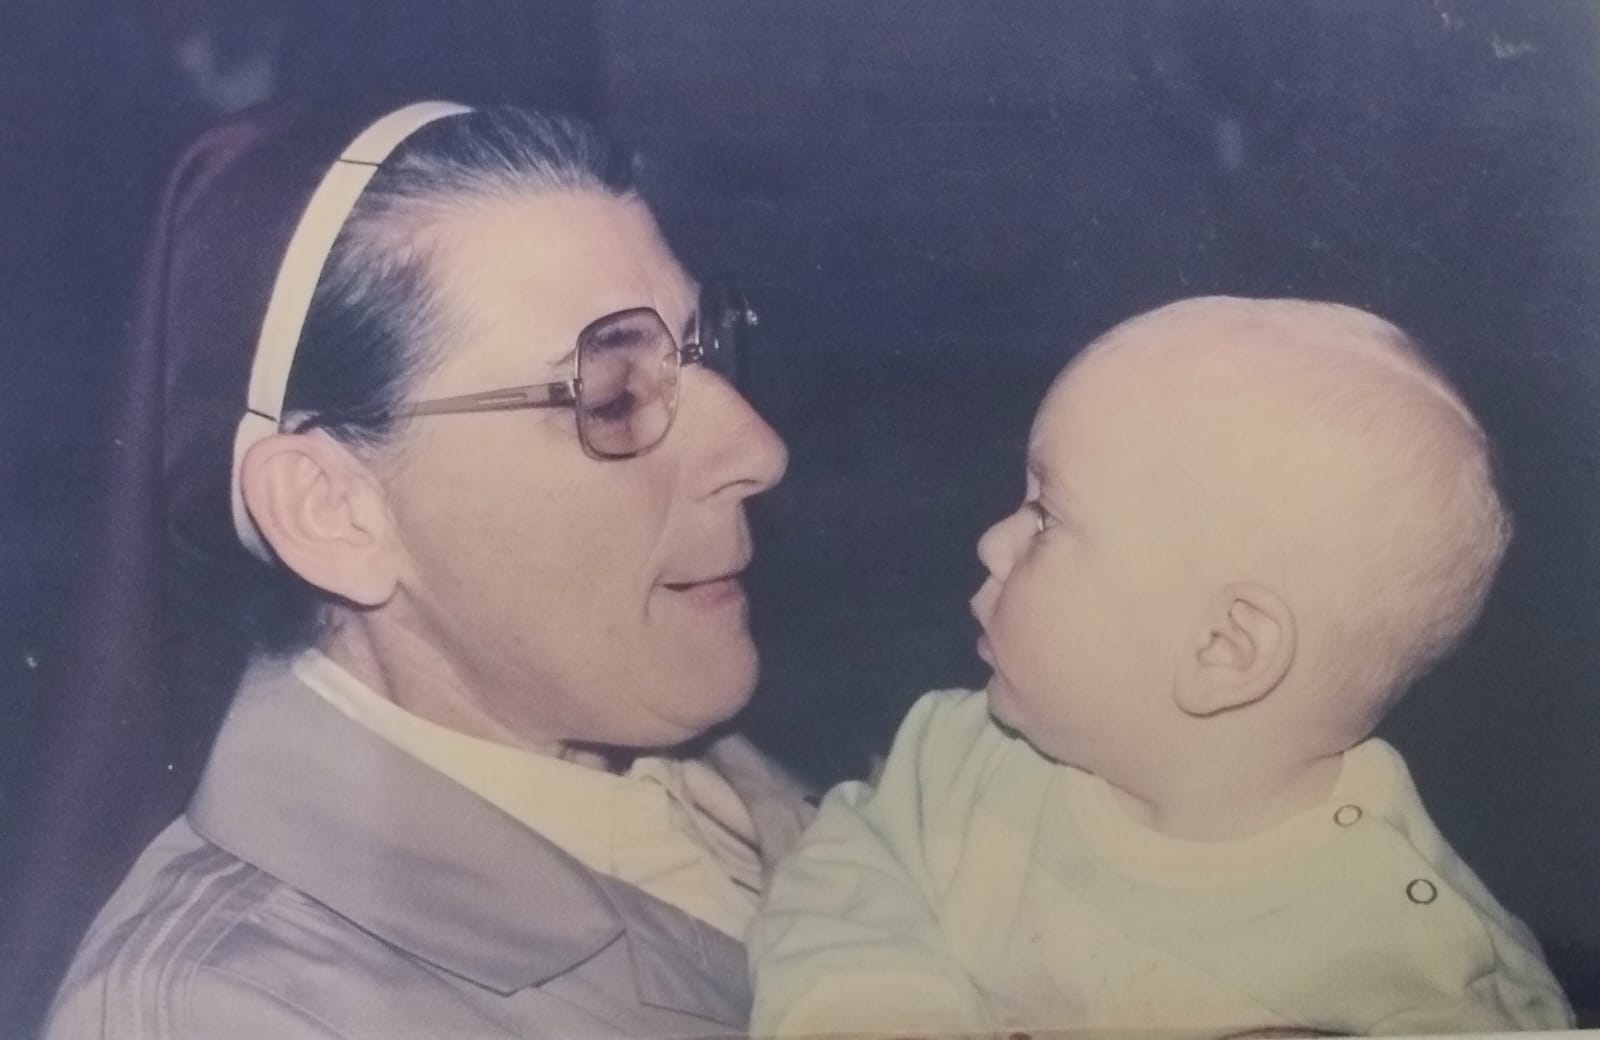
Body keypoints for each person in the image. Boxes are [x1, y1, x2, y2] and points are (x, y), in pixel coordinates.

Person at [42, 99, 812, 1039]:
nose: (757, 449)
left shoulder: (665, 740)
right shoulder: (237, 1012)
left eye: (705, 346)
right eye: (612, 394)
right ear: (334, 513)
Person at [748, 296, 1575, 1037]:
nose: (993, 541)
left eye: (1046, 516)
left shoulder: (1417, 974)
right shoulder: (957, 762)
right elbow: (844, 874)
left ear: (1223, 649)